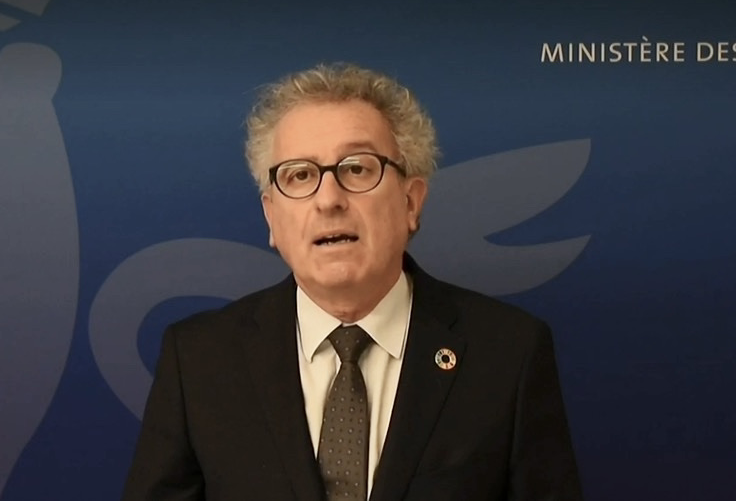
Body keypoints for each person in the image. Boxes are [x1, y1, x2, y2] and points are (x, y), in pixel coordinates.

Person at [122, 63, 583, 501]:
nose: (328, 199)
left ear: (410, 202)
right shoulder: (199, 360)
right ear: (271, 216)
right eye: (300, 175)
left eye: (357, 168)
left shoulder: (508, 354)